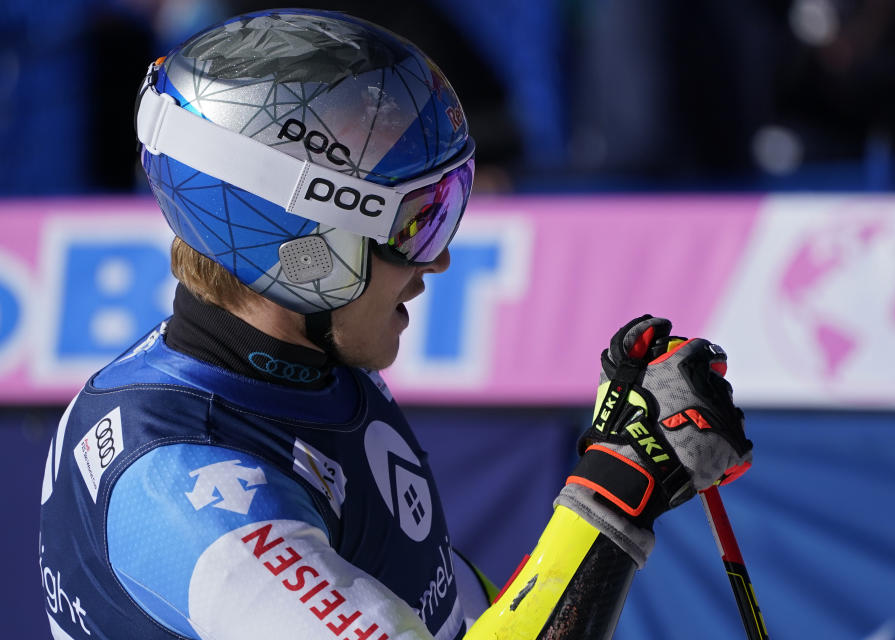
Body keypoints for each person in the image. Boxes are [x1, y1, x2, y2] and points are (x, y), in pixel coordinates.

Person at [38, 9, 753, 640]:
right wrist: (616, 488)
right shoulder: (186, 490)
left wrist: (609, 463)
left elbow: (445, 609)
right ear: (301, 252)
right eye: (414, 222)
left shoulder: (316, 373)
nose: (435, 262)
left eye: (446, 209)